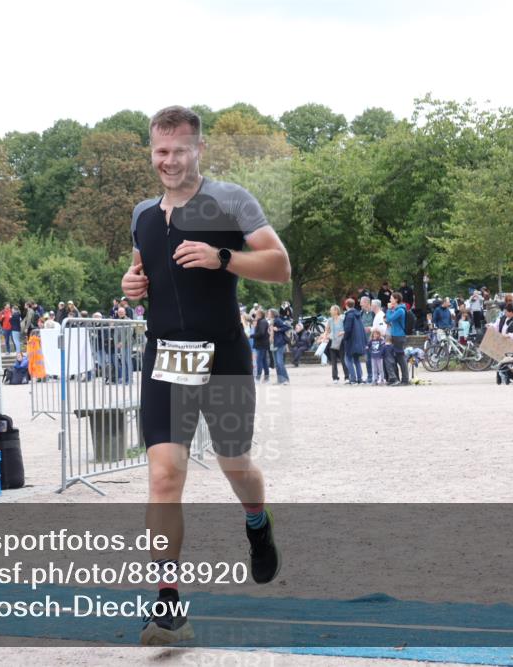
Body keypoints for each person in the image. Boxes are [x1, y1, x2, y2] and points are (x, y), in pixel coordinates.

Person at [121, 105, 289, 645]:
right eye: (160, 150)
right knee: (165, 475)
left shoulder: (230, 200)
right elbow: (143, 267)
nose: (168, 161)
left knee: (234, 463)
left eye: (179, 150)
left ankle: (258, 524)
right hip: (165, 358)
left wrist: (223, 257)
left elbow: (279, 265)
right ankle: (168, 604)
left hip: (223, 357)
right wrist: (132, 282)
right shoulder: (143, 213)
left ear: (200, 149)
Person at [385, 293, 410, 386]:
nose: (390, 300)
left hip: (399, 336)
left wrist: (389, 309)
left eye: (391, 298)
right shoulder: (396, 310)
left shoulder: (400, 310)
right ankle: (397, 379)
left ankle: (405, 379)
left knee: (401, 357)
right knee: (396, 357)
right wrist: (391, 310)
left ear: (396, 300)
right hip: (395, 335)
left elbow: (388, 319)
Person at [341, 298, 366, 384]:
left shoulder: (349, 315)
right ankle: (359, 379)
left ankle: (353, 379)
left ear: (346, 305)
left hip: (351, 341)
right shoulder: (358, 314)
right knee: (356, 360)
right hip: (358, 341)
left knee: (347, 359)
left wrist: (344, 337)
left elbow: (347, 329)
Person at [322, 304, 347, 384]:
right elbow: (326, 330)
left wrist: (343, 332)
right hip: (332, 341)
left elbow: (346, 328)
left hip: (341, 341)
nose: (330, 311)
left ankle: (347, 377)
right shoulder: (329, 320)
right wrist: (324, 338)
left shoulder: (342, 318)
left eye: (331, 310)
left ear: (336, 311)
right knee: (333, 361)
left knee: (343, 360)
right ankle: (335, 377)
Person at [269, 308, 291, 385]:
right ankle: (280, 380)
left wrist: (278, 329)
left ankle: (285, 380)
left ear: (273, 314)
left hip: (280, 343)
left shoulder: (277, 320)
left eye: (269, 313)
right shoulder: (271, 321)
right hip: (274, 344)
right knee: (277, 364)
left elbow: (287, 327)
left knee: (280, 362)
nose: (268, 314)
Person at [252, 308, 271, 382]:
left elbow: (261, 333)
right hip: (262, 344)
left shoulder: (262, 322)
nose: (255, 314)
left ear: (260, 314)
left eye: (257, 313)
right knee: (263, 361)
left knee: (259, 361)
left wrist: (252, 335)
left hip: (261, 344)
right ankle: (266, 378)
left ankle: (258, 378)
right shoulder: (261, 321)